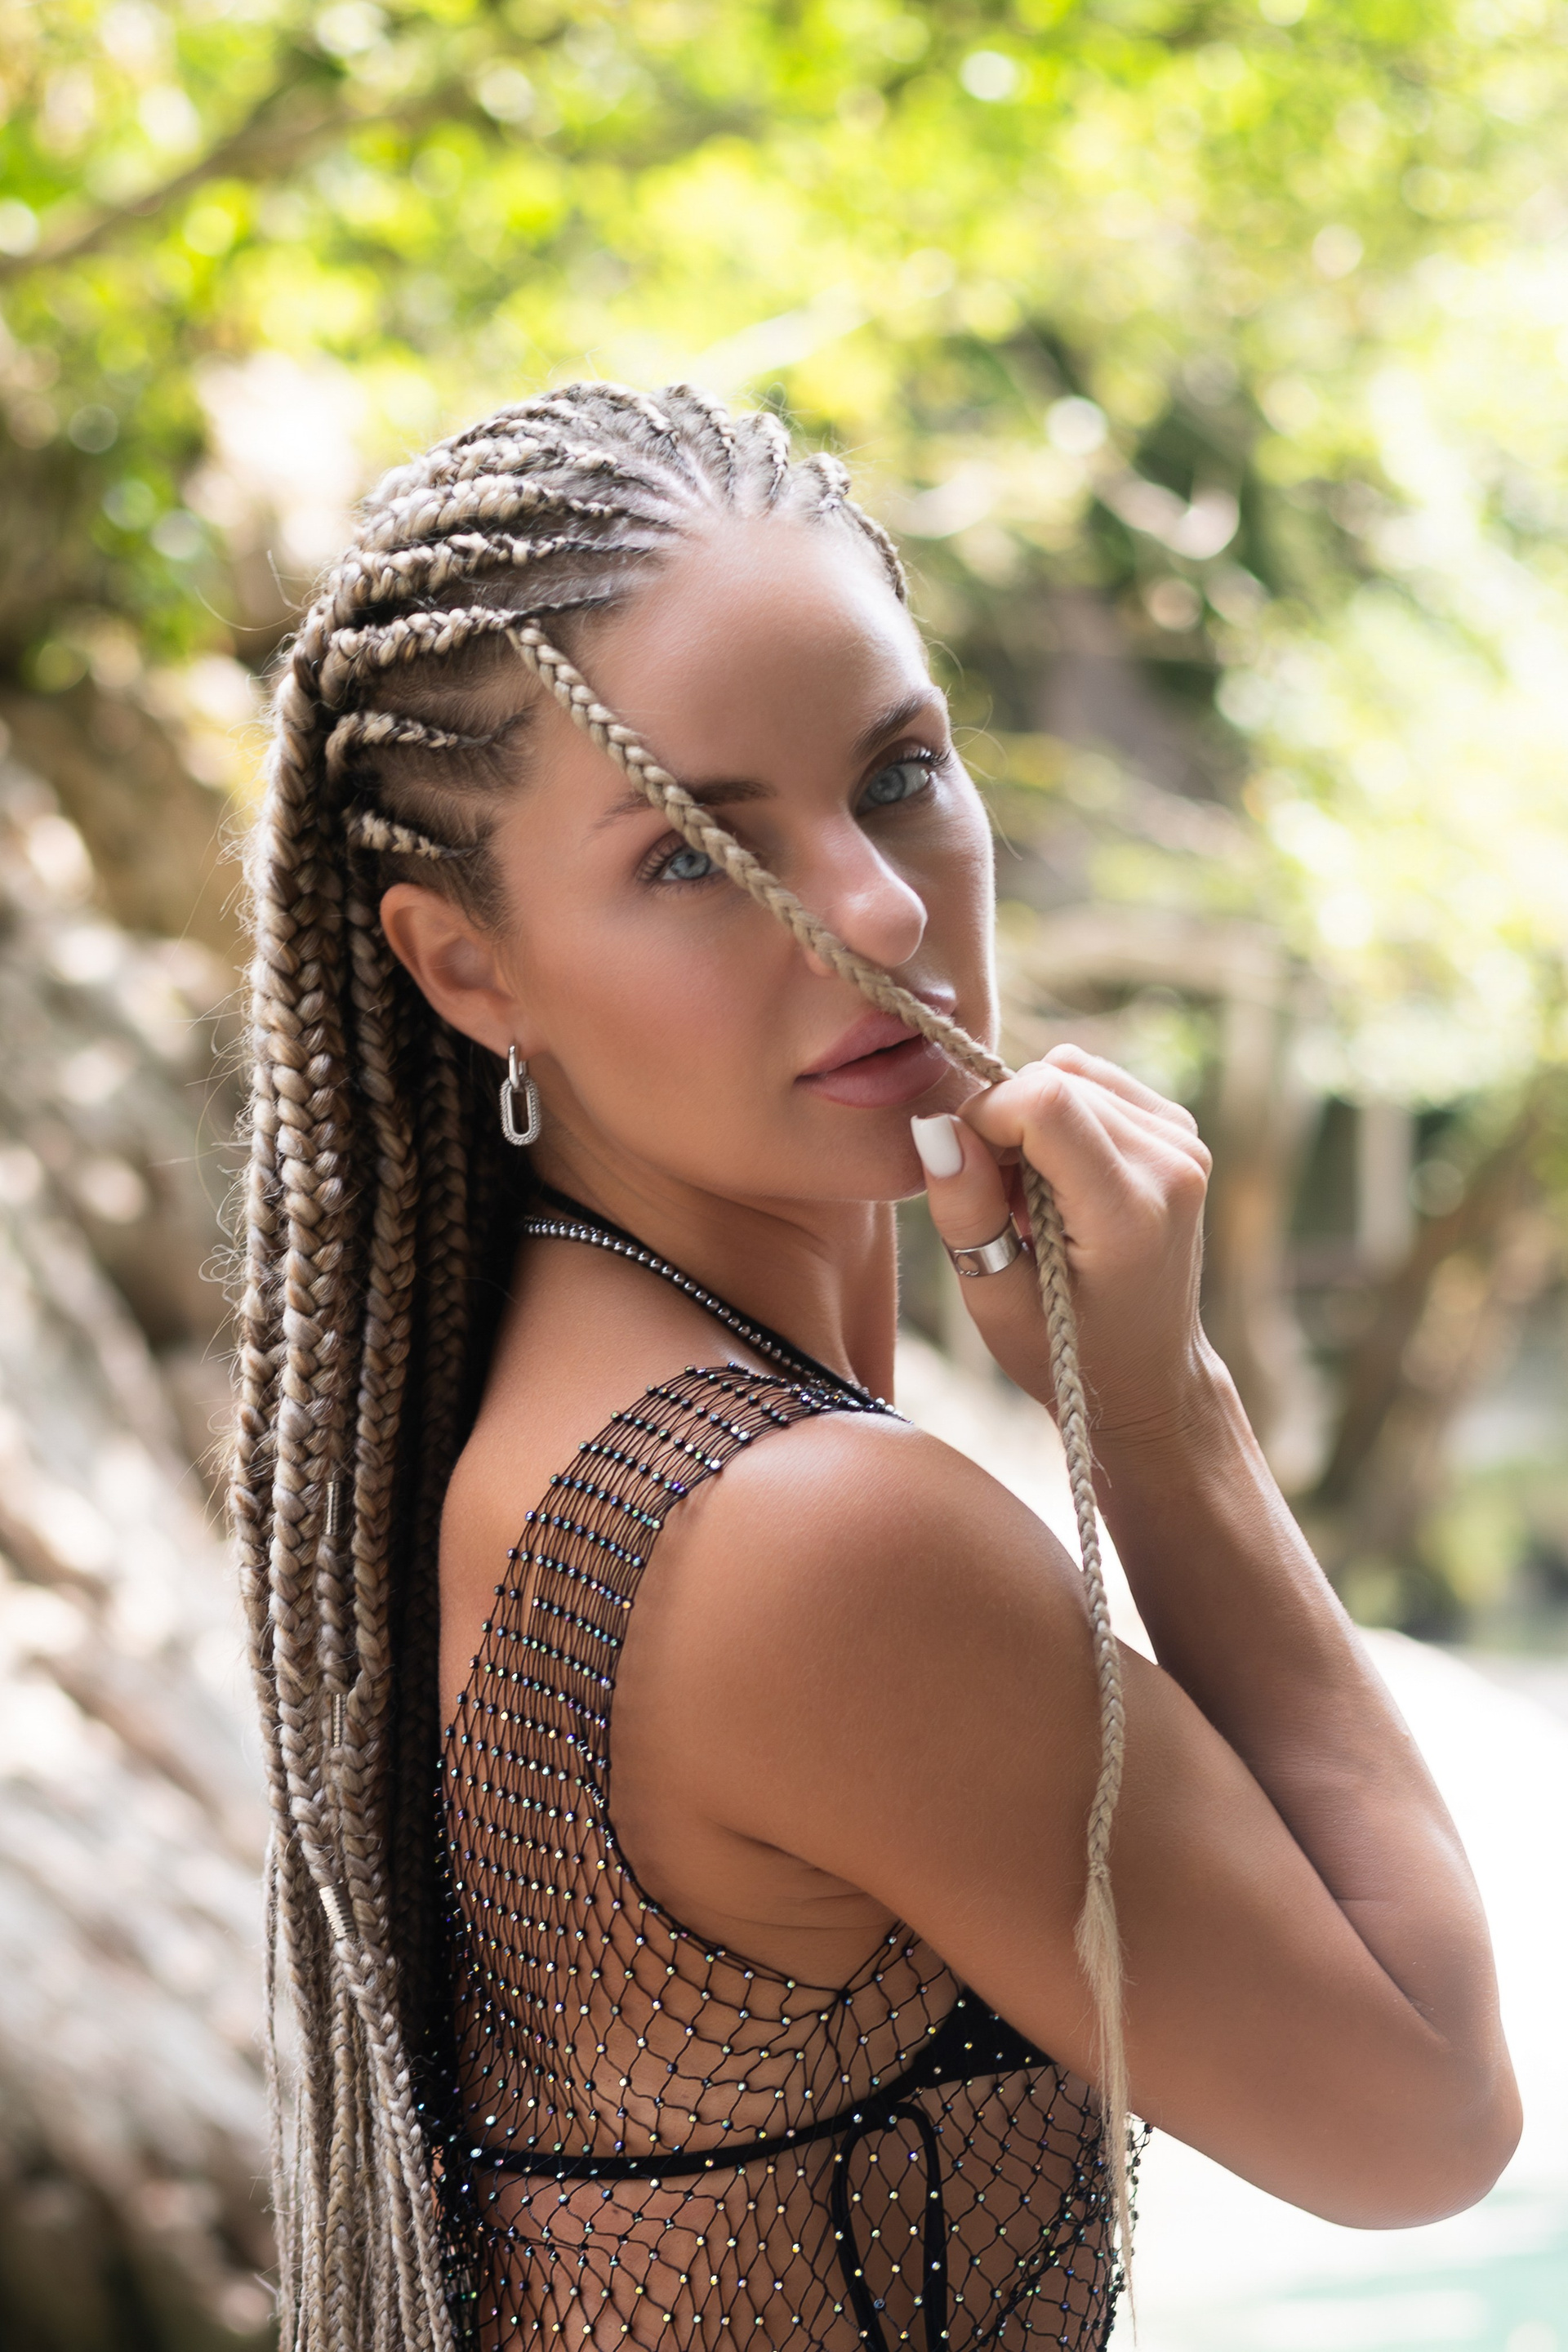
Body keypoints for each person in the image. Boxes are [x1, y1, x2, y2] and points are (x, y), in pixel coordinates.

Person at [236, 382, 1519, 2352]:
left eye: (901, 771)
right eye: (694, 856)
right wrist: (1159, 1416)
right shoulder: (805, 1537)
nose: (877, 907)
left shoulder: (538, 1414)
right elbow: (1423, 2116)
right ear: (468, 967)